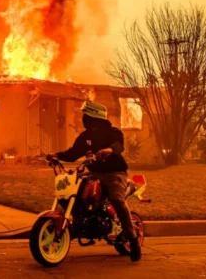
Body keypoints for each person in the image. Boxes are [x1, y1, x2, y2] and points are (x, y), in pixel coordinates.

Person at [47, 100, 141, 262]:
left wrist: (109, 150)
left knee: (117, 199)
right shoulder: (85, 137)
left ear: (94, 117)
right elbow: (73, 153)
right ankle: (79, 223)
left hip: (114, 173)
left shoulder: (113, 132)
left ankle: (133, 241)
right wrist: (57, 156)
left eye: (86, 115)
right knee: (73, 191)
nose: (83, 119)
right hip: (94, 174)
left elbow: (119, 146)